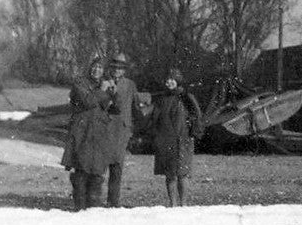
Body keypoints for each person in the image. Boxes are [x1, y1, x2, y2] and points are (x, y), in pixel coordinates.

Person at [62, 56, 117, 211]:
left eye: (100, 68)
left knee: (97, 170)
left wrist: (114, 91)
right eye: (94, 66)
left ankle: (94, 209)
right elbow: (88, 101)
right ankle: (80, 208)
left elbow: (114, 108)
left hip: (98, 134)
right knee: (81, 169)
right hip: (82, 133)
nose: (96, 70)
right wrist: (103, 91)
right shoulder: (80, 83)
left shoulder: (104, 85)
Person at [149, 69, 203, 207]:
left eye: (172, 79)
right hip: (165, 140)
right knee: (170, 175)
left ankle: (183, 204)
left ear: (178, 80)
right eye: (167, 79)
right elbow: (155, 118)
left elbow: (197, 116)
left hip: (183, 140)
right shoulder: (161, 99)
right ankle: (172, 203)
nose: (169, 82)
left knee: (182, 174)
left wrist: (193, 131)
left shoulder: (186, 97)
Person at [104, 52, 141, 207]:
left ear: (124, 70)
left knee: (117, 166)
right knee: (100, 165)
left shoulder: (130, 85)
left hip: (122, 130)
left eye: (120, 68)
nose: (117, 71)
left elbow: (136, 107)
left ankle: (113, 201)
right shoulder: (104, 83)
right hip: (104, 128)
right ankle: (93, 199)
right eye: (114, 68)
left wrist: (136, 129)